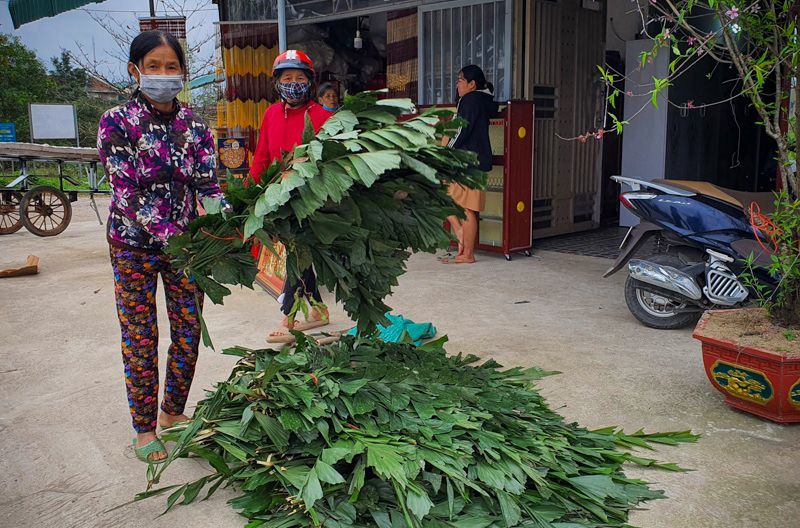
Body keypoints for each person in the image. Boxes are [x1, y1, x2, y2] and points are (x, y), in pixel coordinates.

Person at [97, 30, 227, 462]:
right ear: (135, 70)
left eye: (172, 67)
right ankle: (144, 428)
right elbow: (125, 193)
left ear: (183, 73)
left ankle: (173, 413)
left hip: (187, 250)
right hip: (133, 246)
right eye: (153, 66)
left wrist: (232, 219)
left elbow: (209, 186)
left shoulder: (196, 126)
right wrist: (175, 236)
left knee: (189, 334)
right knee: (140, 337)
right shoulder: (116, 122)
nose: (163, 75)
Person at [248, 50, 332, 343]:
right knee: (297, 252)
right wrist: (249, 195)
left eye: (299, 78)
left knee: (298, 251)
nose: (293, 84)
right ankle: (318, 310)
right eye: (287, 78)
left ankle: (290, 314)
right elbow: (261, 158)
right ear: (278, 83)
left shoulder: (322, 116)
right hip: (277, 197)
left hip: (309, 198)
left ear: (310, 82)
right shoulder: (271, 114)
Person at [443, 65, 499, 264]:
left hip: (468, 162)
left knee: (465, 208)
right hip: (473, 162)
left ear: (471, 84)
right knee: (455, 203)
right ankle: (461, 238)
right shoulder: (480, 101)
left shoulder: (471, 100)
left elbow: (461, 130)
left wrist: (445, 151)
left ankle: (468, 253)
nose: (457, 84)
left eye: (460, 80)